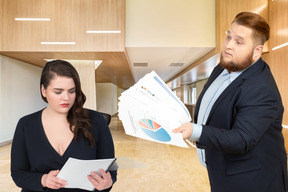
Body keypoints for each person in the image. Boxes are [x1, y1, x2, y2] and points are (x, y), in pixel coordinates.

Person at [173, 12, 288, 192]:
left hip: (250, 181)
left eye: (239, 42)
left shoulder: (261, 88)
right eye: (228, 37)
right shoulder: (222, 67)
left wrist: (196, 131)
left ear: (257, 51)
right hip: (221, 170)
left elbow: (242, 139)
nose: (228, 46)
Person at [11, 60, 117, 192]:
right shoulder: (26, 124)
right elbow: (18, 174)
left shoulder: (96, 121)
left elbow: (111, 170)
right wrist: (43, 179)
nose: (66, 98)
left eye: (71, 91)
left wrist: (107, 182)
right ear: (43, 90)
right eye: (58, 92)